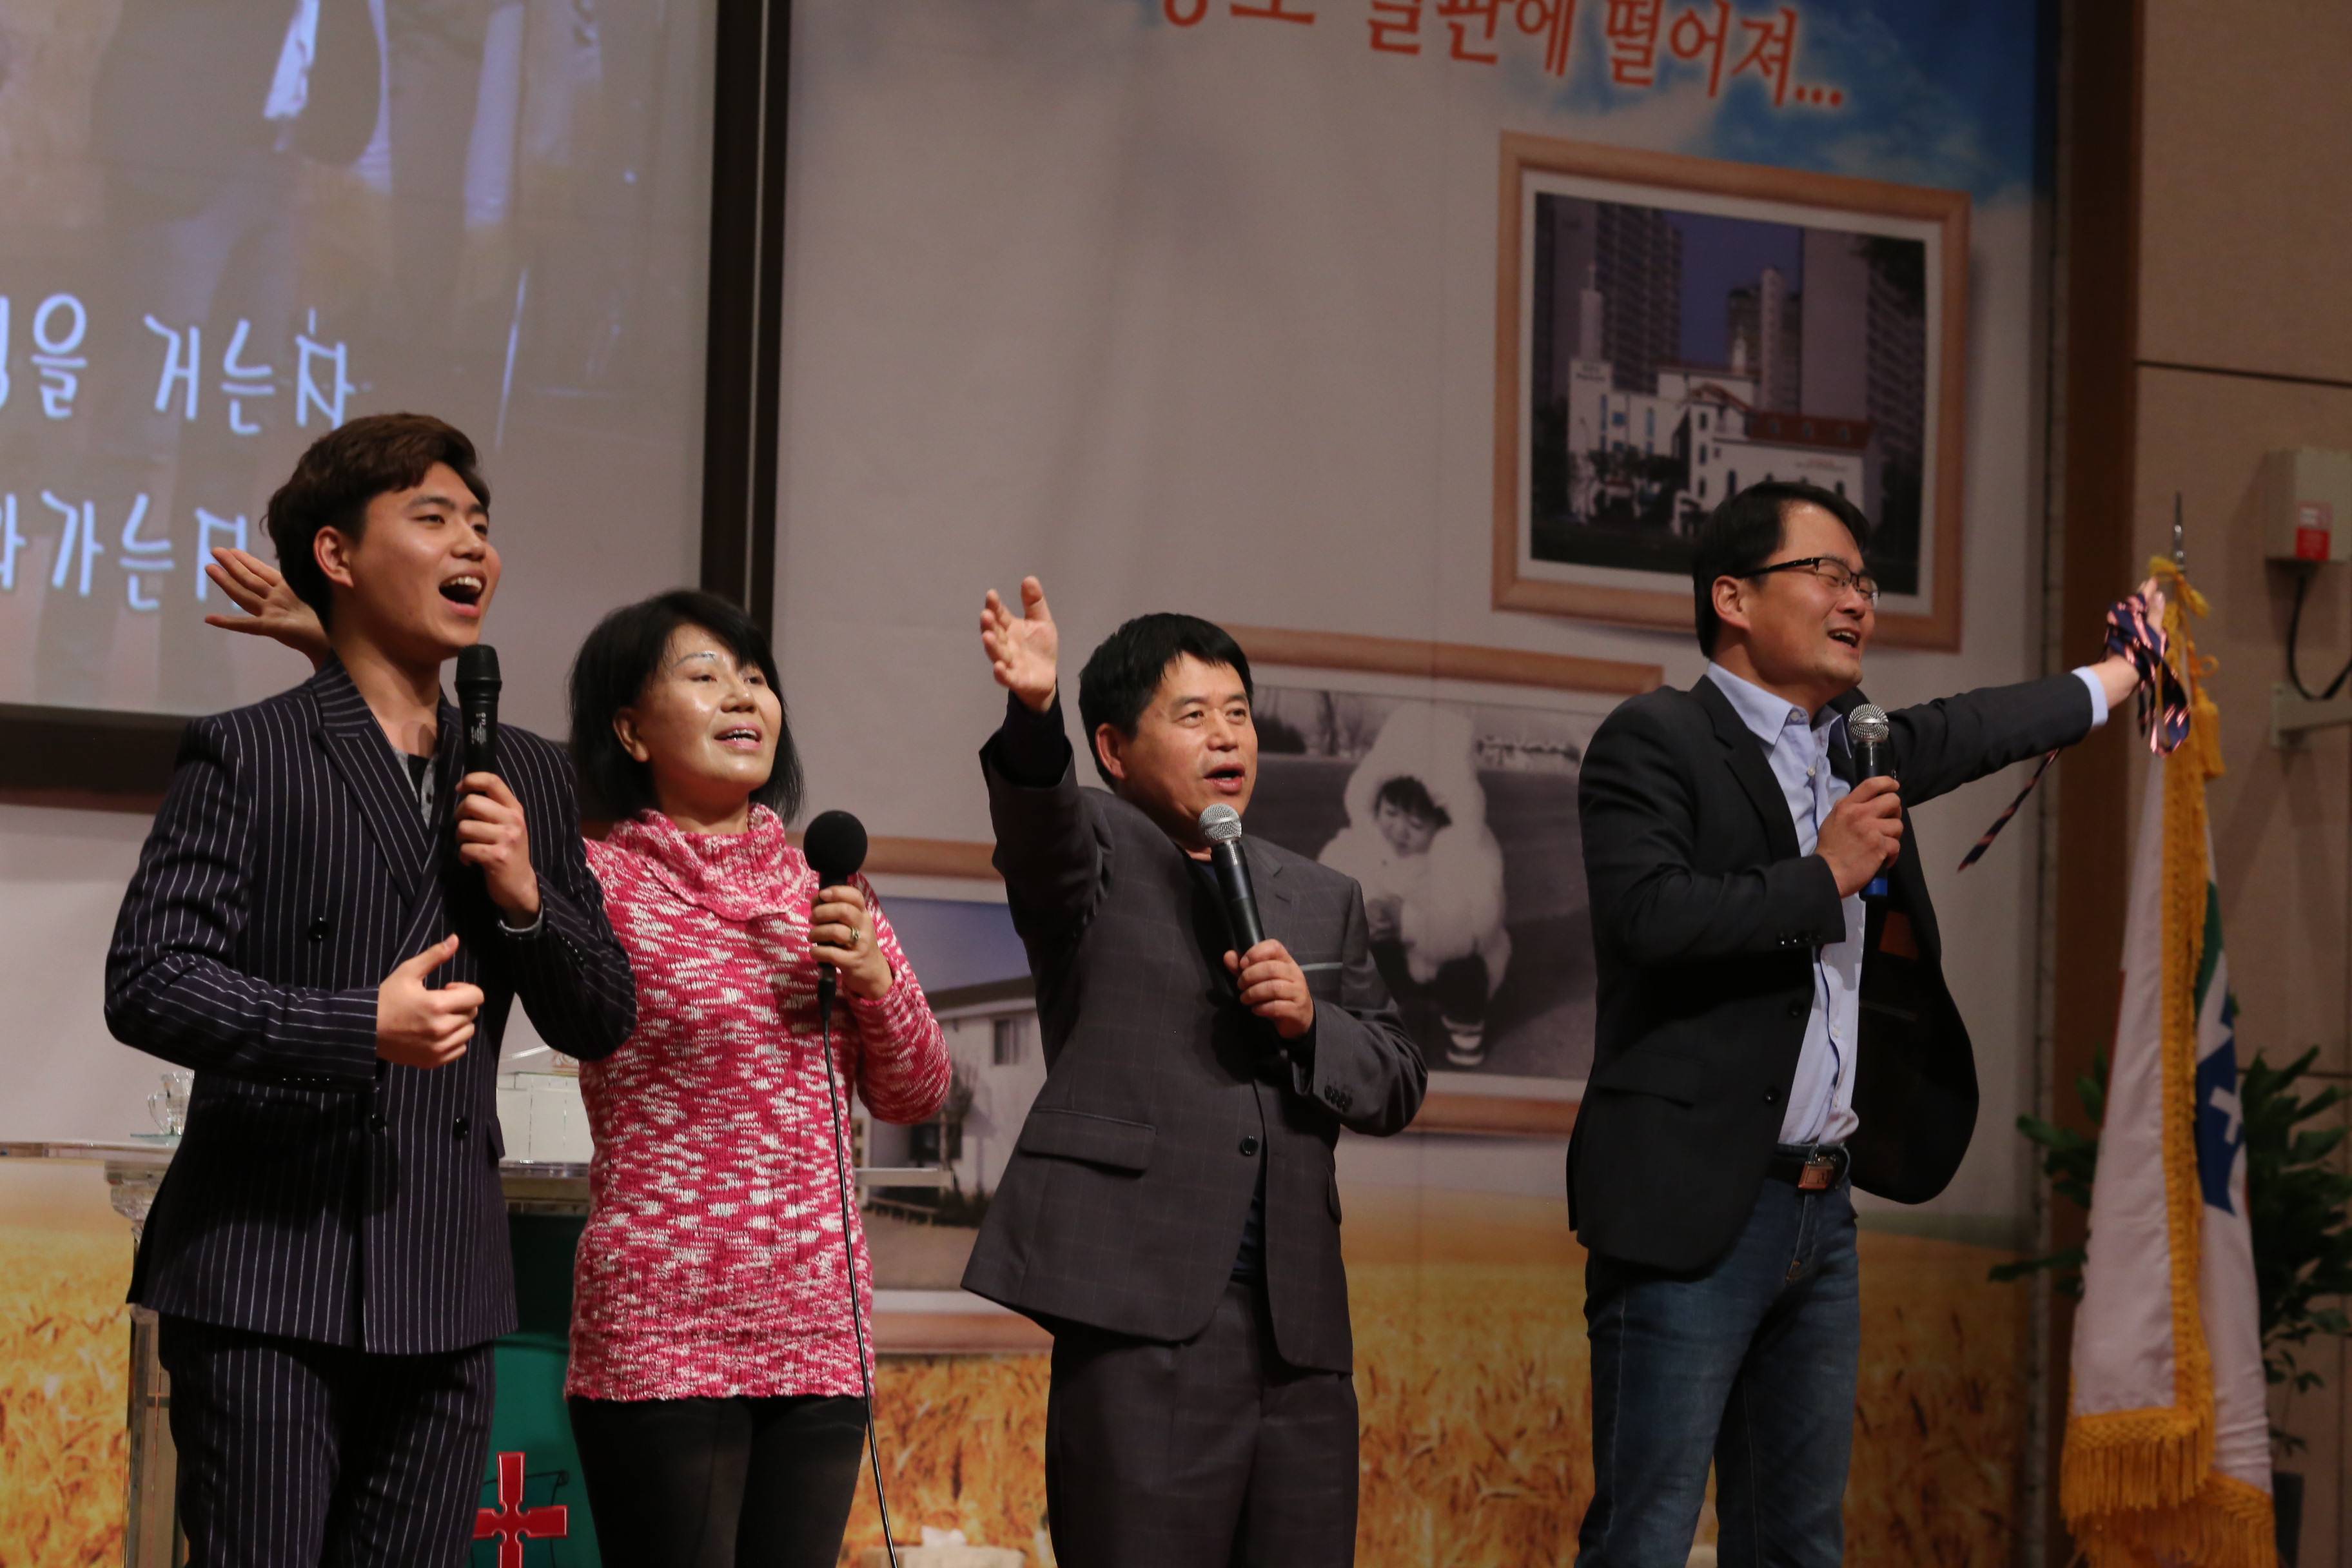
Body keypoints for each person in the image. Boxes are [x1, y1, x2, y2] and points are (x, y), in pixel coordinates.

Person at [202, 562, 954, 1568]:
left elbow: (915, 1090)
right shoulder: (598, 879)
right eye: (704, 677)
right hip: (665, 1326)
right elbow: (443, 792)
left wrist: (874, 979)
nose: (743, 697)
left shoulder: (827, 885)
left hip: (820, 1326)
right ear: (631, 730)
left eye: (756, 678)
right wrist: (350, 653)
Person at [1567, 480, 2153, 1567]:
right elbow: (1650, 918)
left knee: (1799, 1543)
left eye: (1865, 582)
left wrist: (2123, 672)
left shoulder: (1858, 745)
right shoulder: (1655, 737)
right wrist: (1823, 874)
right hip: (1692, 1206)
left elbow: (1976, 728)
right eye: (1827, 574)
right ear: (1732, 597)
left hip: (1820, 1213)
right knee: (1643, 1538)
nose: (1857, 601)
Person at [104, 413, 638, 1567]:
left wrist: (526, 898)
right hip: (265, 1271)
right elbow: (148, 980)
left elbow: (603, 1014)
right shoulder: (250, 751)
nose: (473, 546)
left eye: (481, 524)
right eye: (433, 517)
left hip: (443, 1274)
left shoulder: (527, 772)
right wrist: (359, 1025)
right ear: (336, 556)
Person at [965, 578, 1427, 1568]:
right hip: (1145, 1314)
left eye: (1239, 714)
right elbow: (1038, 823)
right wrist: (1033, 712)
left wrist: (1313, 1025)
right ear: (1114, 748)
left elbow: (1397, 1075)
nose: (1227, 737)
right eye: (1193, 716)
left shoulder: (1323, 895)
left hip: (1301, 1337)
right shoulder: (1093, 853)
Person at [1317, 703, 1512, 1067]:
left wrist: (1410, 921)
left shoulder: (1470, 853)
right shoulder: (1358, 844)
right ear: (1374, 803)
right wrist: (1365, 915)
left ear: (1445, 822)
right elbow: (1328, 891)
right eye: (1390, 813)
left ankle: (1465, 1022)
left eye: (1417, 824)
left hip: (1448, 961)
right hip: (1392, 958)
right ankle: (1378, 1022)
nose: (1399, 831)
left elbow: (1478, 920)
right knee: (1364, 964)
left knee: (1466, 969)